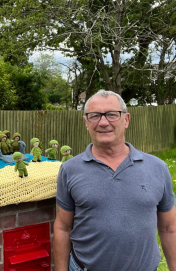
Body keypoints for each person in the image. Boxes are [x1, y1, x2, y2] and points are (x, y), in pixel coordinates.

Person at [53, 90, 176, 271]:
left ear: (126, 120)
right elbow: (63, 228)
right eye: (94, 116)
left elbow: (169, 228)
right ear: (86, 122)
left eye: (112, 114)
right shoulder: (70, 170)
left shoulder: (157, 168)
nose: (103, 122)